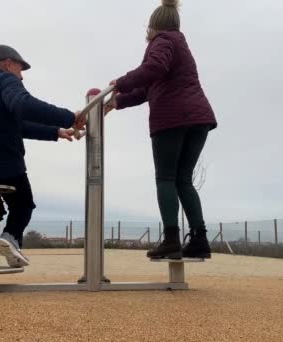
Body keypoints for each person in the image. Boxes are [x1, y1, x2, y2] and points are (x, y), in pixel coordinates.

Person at [0, 44, 85, 268]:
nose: (21, 76)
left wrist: (55, 132)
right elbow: (24, 105)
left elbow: (17, 125)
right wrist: (69, 117)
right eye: (20, 69)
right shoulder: (5, 80)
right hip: (0, 164)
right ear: (8, 63)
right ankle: (10, 239)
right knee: (23, 204)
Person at [106, 0, 217, 259]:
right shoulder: (180, 45)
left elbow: (153, 69)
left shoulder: (163, 40)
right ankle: (200, 239)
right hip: (198, 117)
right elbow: (148, 88)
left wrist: (120, 83)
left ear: (153, 26)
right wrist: (118, 102)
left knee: (165, 178)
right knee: (183, 179)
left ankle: (171, 239)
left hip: (172, 118)